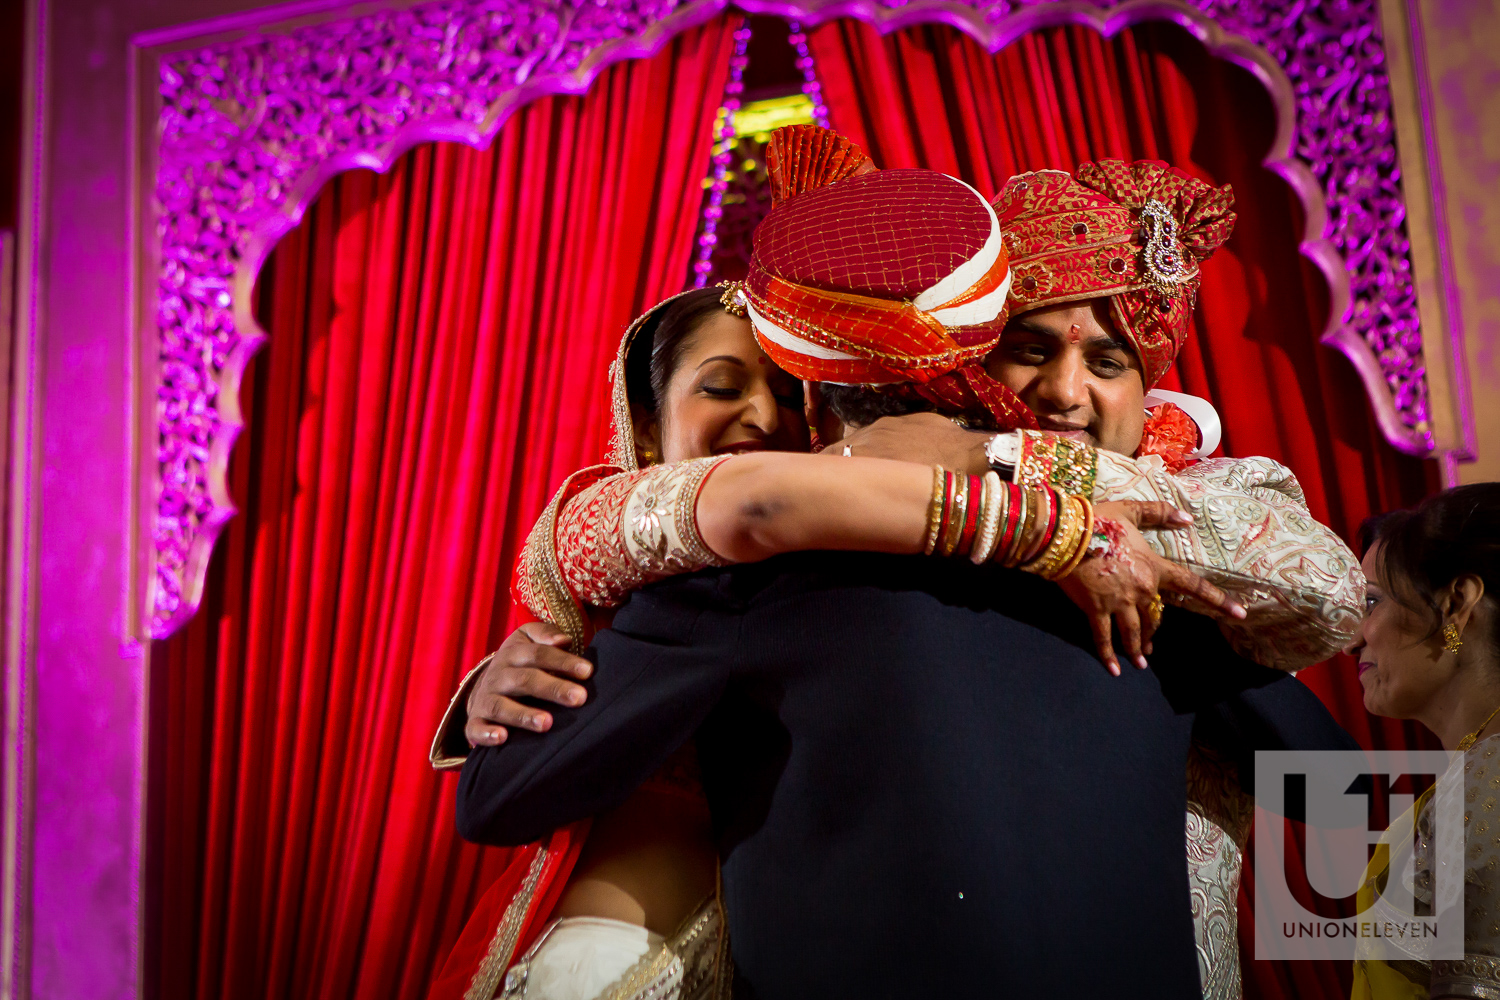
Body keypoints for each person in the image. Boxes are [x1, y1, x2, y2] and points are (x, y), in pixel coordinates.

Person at [447, 130, 1363, 998]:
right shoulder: (1142, 580)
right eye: (1030, 350)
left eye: (1110, 361)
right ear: (963, 364)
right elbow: (1352, 800)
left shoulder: (753, 580)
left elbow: (496, 799)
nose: (1065, 394)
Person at [1349, 483, 1500, 1000]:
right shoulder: (1468, 778)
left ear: (1457, 604)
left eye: (1371, 601)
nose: (1353, 637)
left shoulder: (1484, 790)